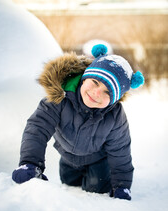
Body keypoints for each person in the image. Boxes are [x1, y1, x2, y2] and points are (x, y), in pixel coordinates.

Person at [12, 44, 144, 200]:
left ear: (114, 99)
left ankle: (102, 181)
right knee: (69, 183)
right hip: (67, 155)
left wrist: (122, 186)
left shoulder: (115, 116)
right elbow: (37, 128)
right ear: (84, 77)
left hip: (98, 159)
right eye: (95, 82)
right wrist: (30, 163)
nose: (97, 93)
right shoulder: (59, 97)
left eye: (107, 92)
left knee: (95, 189)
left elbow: (120, 151)